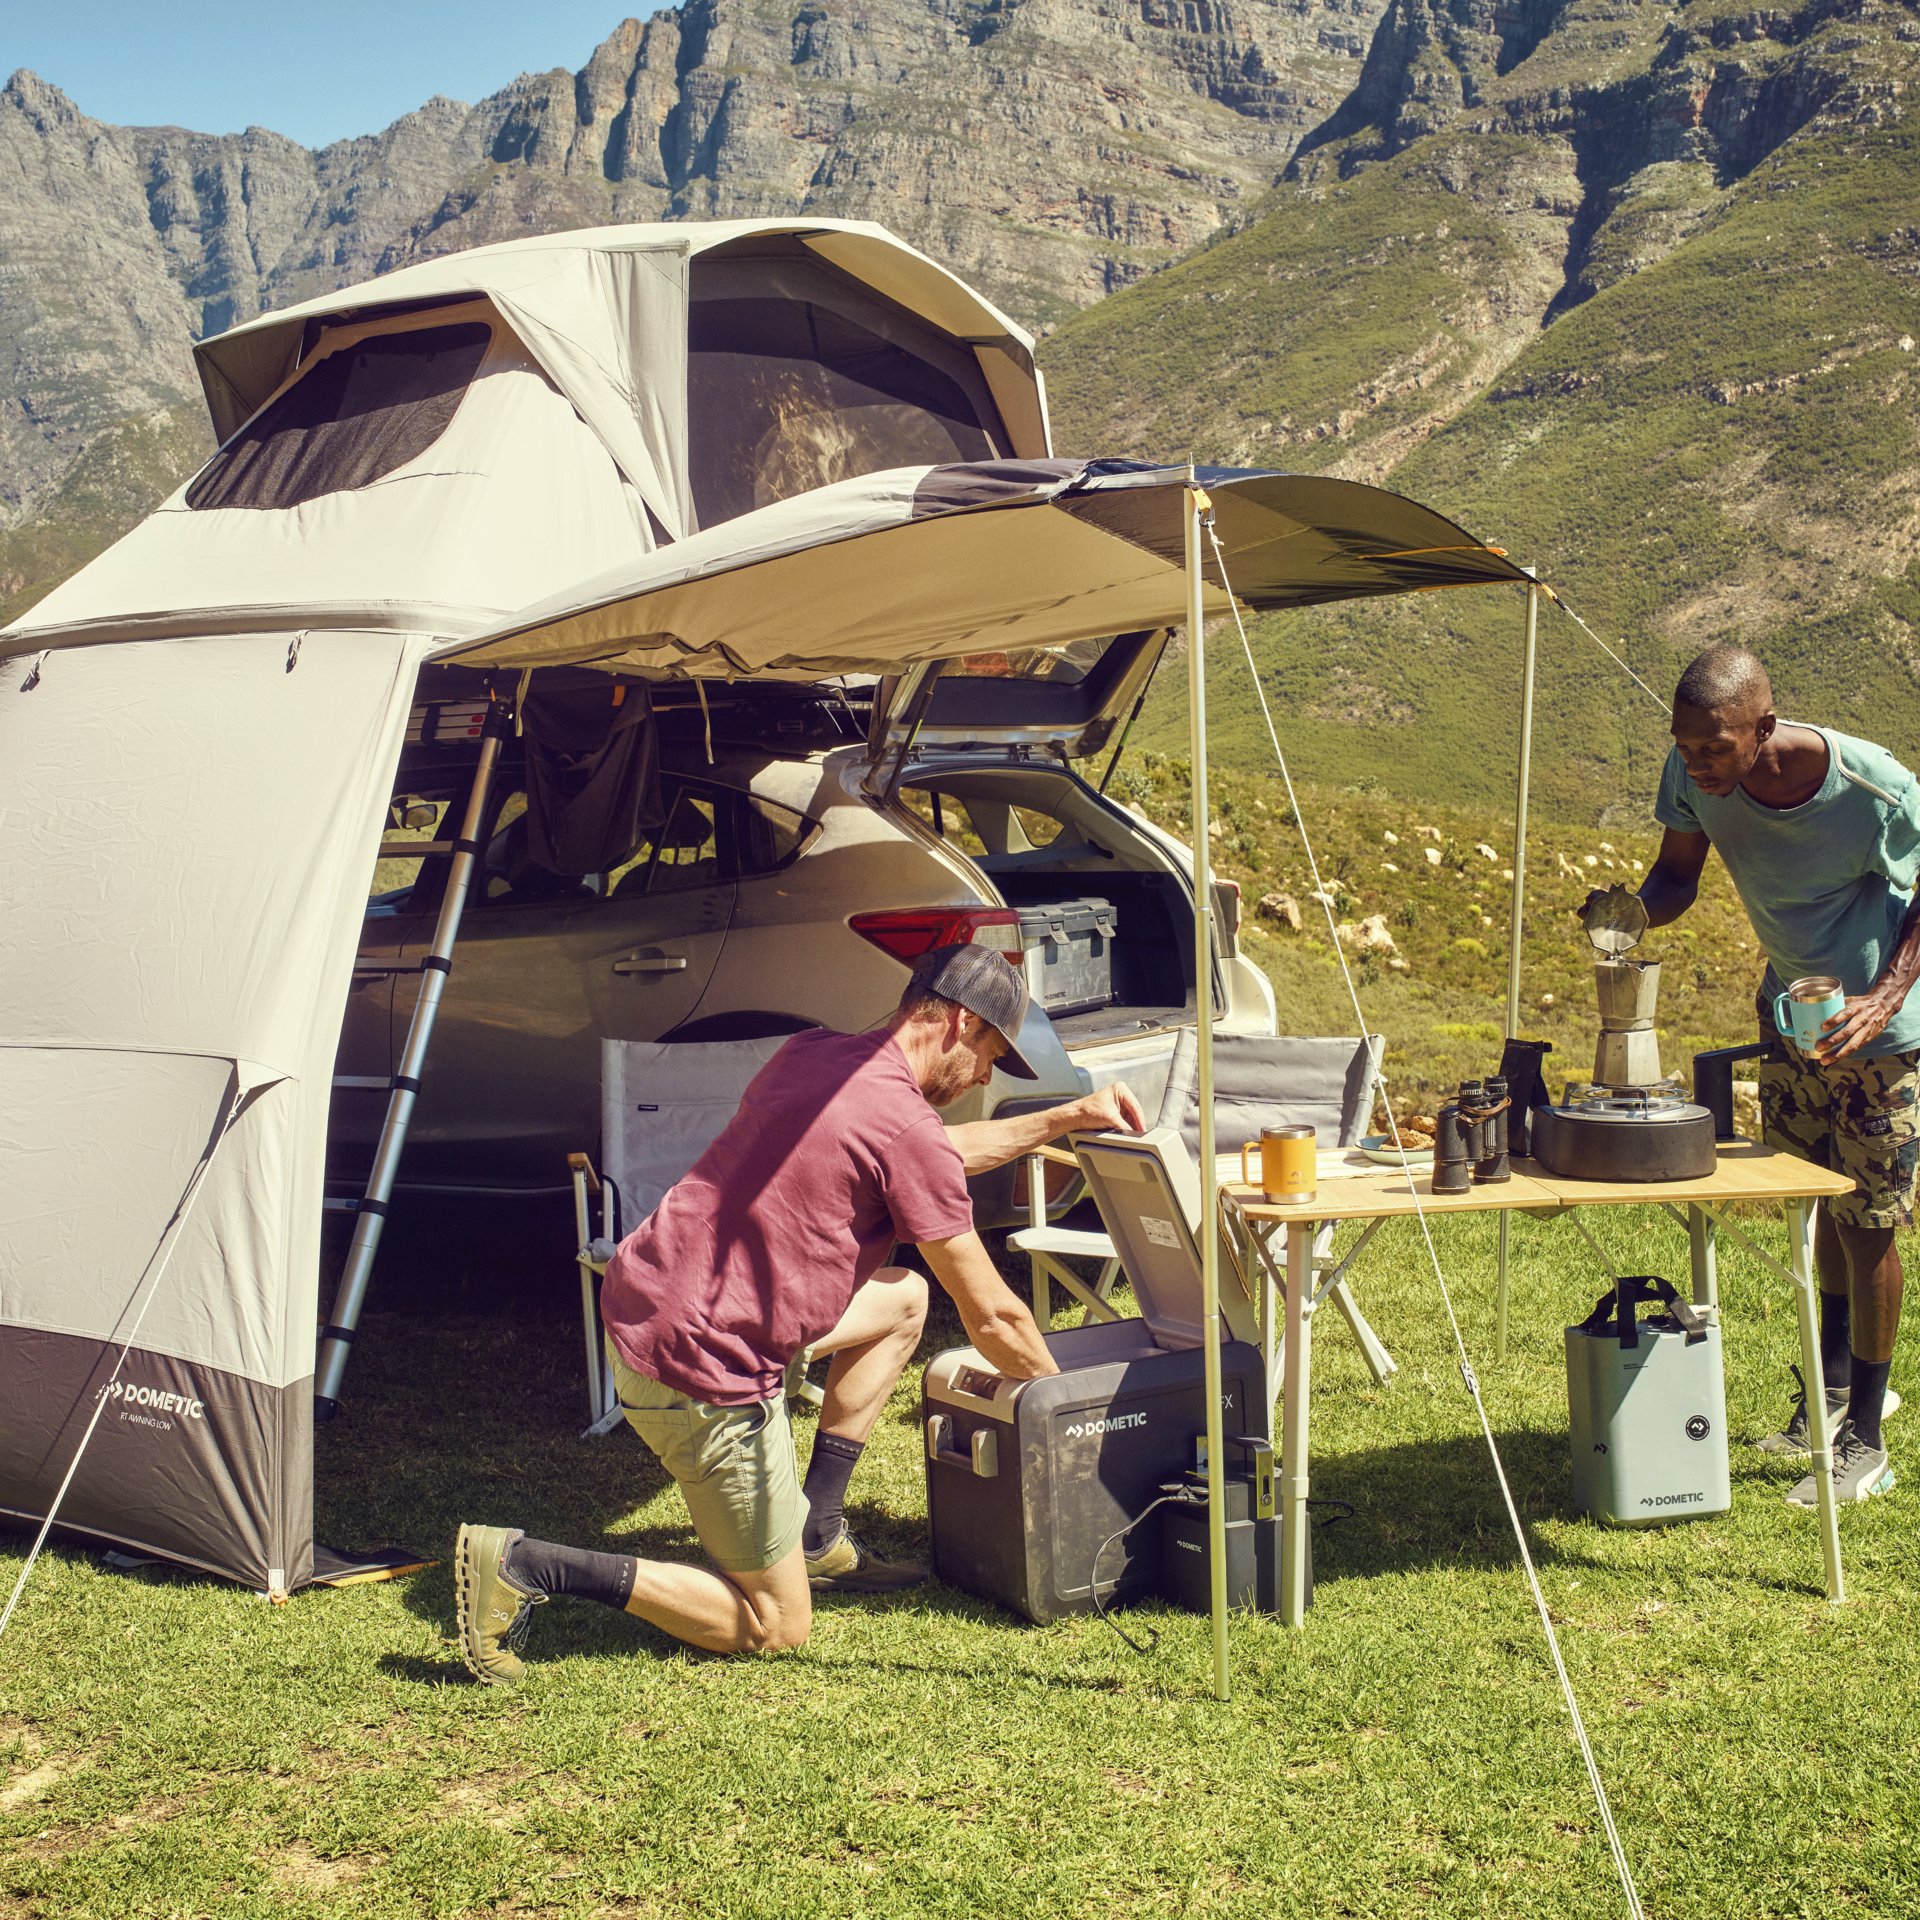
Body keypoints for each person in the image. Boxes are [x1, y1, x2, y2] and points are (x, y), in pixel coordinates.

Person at [453, 942, 1146, 1680]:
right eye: (990, 1057)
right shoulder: (900, 1125)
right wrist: (1073, 1421)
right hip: (702, 1363)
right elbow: (996, 1319)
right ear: (960, 1026)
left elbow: (931, 1150)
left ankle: (815, 1532)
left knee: (903, 1300)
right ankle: (529, 1566)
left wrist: (1068, 1117)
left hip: (648, 1297)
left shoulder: (819, 1056)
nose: (981, 1078)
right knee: (774, 1623)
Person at [1594, 644, 1916, 1508]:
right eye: (1684, 746)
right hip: (1792, 1015)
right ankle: (1835, 1394)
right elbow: (1677, 874)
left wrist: (1884, 998)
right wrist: (1631, 912)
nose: (1694, 764)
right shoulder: (1693, 769)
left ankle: (1867, 1443)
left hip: (1880, 1036)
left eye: (1713, 748)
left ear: (1764, 728)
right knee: (1817, 1203)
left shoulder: (1872, 787)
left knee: (1873, 1218)